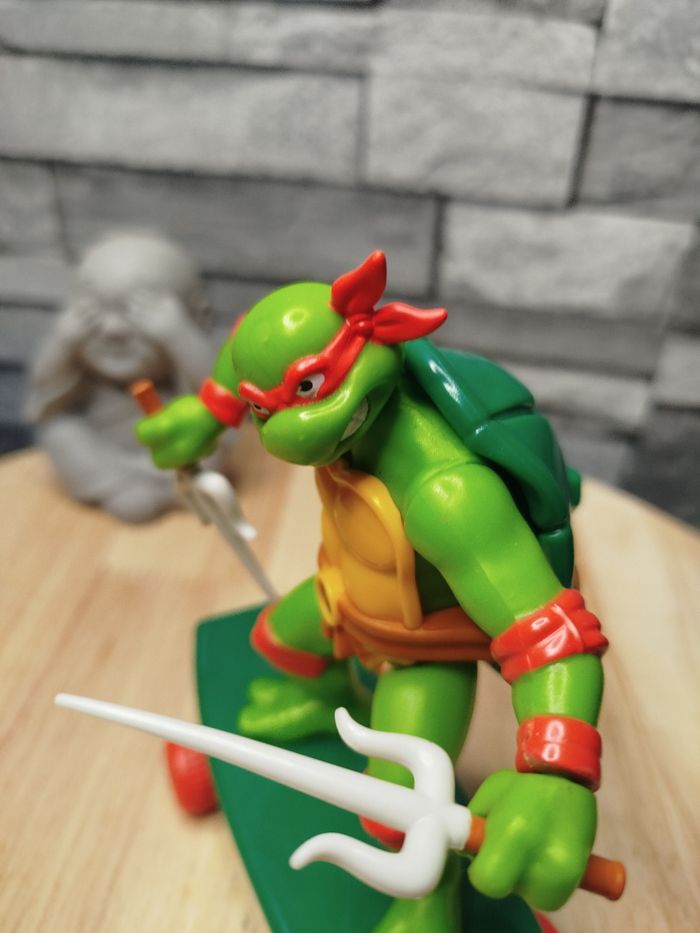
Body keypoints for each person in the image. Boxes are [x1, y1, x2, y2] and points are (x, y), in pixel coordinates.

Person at [137, 251, 608, 932]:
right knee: (274, 638)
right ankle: (330, 692)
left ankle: (428, 904)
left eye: (306, 391)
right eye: (262, 410)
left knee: (402, 806)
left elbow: (551, 635)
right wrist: (209, 414)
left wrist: (556, 772)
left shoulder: (447, 496)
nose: (278, 433)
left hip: (424, 648)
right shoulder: (300, 386)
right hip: (347, 593)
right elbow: (244, 352)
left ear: (371, 341)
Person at [27, 232, 217, 522]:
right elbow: (45, 395)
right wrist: (63, 344)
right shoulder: (82, 369)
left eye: (142, 312)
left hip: (178, 451)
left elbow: (216, 395)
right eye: (91, 314)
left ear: (197, 316)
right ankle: (117, 487)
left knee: (212, 432)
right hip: (105, 454)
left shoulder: (181, 351)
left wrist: (178, 336)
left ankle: (184, 486)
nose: (113, 330)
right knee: (59, 430)